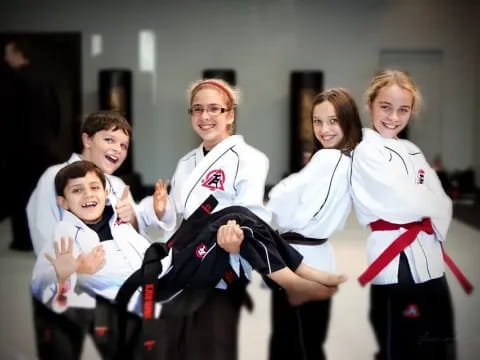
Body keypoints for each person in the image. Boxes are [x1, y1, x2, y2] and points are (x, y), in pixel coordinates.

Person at [35, 161, 346, 357]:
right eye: (77, 191)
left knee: (234, 213)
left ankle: (299, 270)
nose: (89, 195)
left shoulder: (113, 215)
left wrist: (157, 209)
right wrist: (69, 271)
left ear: (105, 192)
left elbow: (153, 223)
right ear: (63, 202)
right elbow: (41, 282)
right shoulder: (65, 235)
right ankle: (292, 278)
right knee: (233, 223)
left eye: (94, 187)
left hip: (166, 258)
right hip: (158, 287)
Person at [149, 78, 343, 360]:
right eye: (197, 109)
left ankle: (295, 277)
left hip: (221, 265)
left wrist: (234, 240)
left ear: (230, 115)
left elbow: (254, 218)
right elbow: (177, 217)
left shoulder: (250, 158)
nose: (205, 116)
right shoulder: (186, 162)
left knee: (214, 348)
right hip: (185, 262)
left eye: (215, 109)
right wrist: (161, 210)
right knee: (174, 346)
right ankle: (295, 275)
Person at [27, 110, 175, 360]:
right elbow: (46, 243)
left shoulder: (115, 185)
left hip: (112, 295)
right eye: (109, 140)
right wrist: (74, 268)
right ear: (87, 140)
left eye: (124, 145)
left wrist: (138, 216)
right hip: (67, 293)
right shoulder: (55, 177)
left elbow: (129, 240)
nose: (117, 149)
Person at [350, 69, 457, 359]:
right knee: (401, 343)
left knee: (439, 339)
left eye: (403, 110)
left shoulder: (411, 150)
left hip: (431, 256)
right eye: (385, 107)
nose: (393, 117)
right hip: (394, 261)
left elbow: (443, 203)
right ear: (370, 104)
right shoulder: (366, 152)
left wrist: (428, 211)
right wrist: (423, 202)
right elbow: (400, 200)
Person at [267, 88, 362, 360]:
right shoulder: (350, 158)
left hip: (298, 260)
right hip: (317, 256)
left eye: (333, 121)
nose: (324, 129)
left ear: (348, 120)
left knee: (290, 342)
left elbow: (279, 198)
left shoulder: (328, 158)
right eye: (318, 121)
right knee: (310, 340)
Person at [3, 38, 60, 251]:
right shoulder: (44, 80)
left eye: (8, 53)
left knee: (20, 196)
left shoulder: (13, 81)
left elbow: (8, 118)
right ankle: (43, 238)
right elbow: (56, 112)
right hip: (43, 148)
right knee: (41, 194)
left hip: (19, 149)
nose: (5, 58)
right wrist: (50, 138)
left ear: (19, 54)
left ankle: (23, 241)